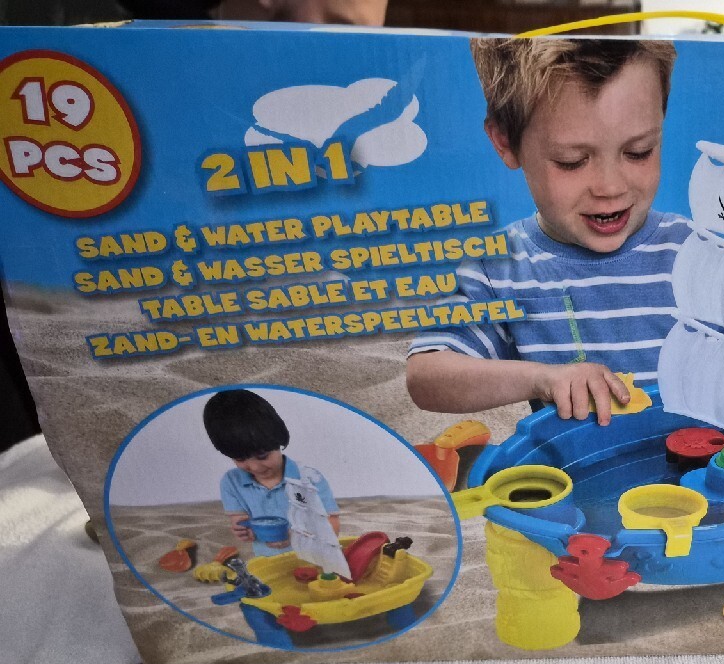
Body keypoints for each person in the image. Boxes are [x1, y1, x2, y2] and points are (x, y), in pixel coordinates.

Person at [405, 36, 689, 427]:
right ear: (506, 142)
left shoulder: (694, 253)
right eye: (572, 161)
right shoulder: (500, 265)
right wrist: (544, 378)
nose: (610, 187)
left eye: (638, 151)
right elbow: (426, 376)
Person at [202, 389, 340, 556]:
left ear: (278, 439)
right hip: (266, 561)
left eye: (262, 456)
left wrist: (296, 537)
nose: (255, 468)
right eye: (240, 459)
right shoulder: (231, 482)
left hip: (313, 559)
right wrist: (244, 530)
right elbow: (240, 521)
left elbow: (331, 524)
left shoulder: (309, 478)